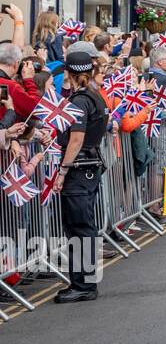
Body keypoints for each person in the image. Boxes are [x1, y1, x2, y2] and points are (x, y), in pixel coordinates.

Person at [51, 42, 109, 303]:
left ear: (69, 72)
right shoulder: (94, 95)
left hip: (80, 167)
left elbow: (76, 140)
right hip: (89, 165)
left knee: (79, 226)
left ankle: (83, 284)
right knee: (82, 225)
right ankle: (83, 282)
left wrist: (62, 171)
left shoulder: (81, 100)